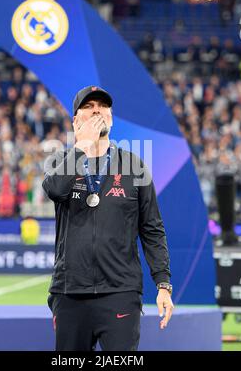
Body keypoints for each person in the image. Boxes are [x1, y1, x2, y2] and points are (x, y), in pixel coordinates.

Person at [42, 86, 173, 351]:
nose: (97, 110)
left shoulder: (134, 166)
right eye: (88, 107)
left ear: (111, 117)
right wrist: (82, 147)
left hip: (120, 292)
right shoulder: (62, 160)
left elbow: (152, 228)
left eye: (102, 106)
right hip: (70, 291)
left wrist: (163, 284)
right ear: (75, 120)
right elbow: (55, 190)